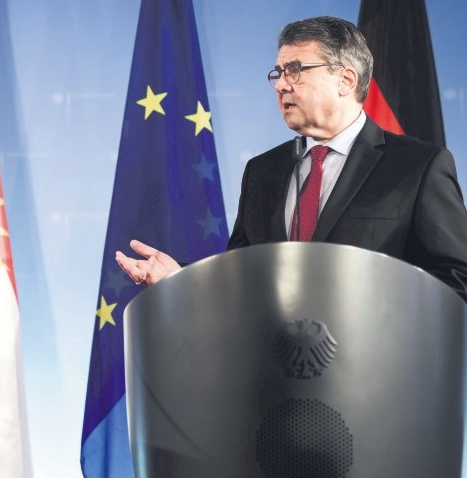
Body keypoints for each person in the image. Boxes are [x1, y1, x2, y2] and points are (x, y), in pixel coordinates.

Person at [116, 15, 467, 299]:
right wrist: (181, 279)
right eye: (279, 74)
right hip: (273, 376)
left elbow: (457, 278)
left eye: (296, 70)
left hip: (377, 376)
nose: (282, 85)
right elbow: (240, 277)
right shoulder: (263, 171)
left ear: (345, 79)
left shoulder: (418, 167)